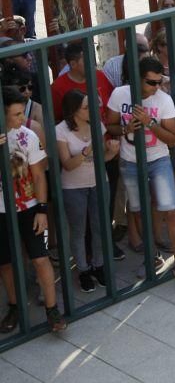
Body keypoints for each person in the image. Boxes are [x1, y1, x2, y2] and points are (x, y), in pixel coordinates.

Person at [105, 57, 175, 286]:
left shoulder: (164, 100)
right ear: (137, 79)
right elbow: (109, 124)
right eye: (151, 82)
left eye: (159, 81)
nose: (156, 87)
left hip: (158, 159)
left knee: (170, 210)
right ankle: (152, 257)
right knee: (138, 210)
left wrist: (150, 123)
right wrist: (124, 129)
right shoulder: (120, 94)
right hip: (129, 161)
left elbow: (173, 139)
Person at [0, 87, 67, 333]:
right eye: (16, 114)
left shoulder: (27, 135)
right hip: (1, 211)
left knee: (40, 258)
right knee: (5, 263)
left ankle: (52, 309)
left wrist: (41, 209)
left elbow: (39, 176)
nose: (21, 119)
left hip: (28, 208)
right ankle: (15, 306)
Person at [56, 90, 120, 292]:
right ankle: (83, 270)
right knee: (78, 230)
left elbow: (102, 159)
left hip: (99, 182)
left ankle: (99, 265)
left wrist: (111, 151)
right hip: (73, 187)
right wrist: (87, 150)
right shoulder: (61, 131)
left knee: (100, 225)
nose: (90, 110)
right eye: (85, 107)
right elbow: (67, 165)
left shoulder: (97, 126)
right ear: (74, 110)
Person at [51, 44, 114, 123]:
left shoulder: (99, 75)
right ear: (73, 64)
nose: (92, 63)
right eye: (86, 60)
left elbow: (113, 104)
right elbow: (55, 120)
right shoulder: (58, 87)